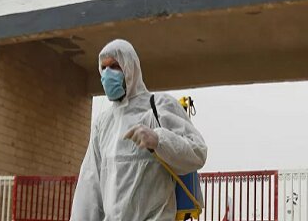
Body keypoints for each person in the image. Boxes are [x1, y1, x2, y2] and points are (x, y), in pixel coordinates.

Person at [71, 39, 208, 221]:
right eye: (103, 68)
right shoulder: (103, 124)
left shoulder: (159, 106)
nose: (107, 74)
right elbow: (89, 187)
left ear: (130, 67)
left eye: (114, 66)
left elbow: (198, 152)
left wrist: (159, 139)